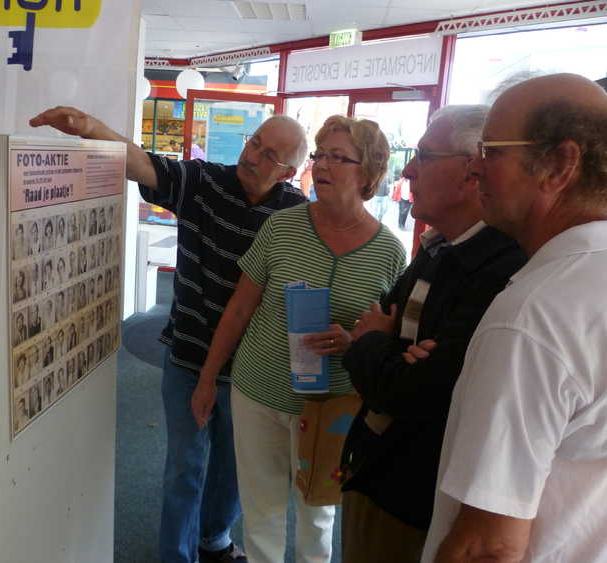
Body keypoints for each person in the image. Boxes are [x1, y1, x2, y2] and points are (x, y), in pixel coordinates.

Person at [30, 106, 309, 563]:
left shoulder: (296, 218)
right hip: (188, 357)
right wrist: (91, 127)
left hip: (252, 372)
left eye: (269, 153)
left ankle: (215, 538)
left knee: (233, 466)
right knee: (185, 466)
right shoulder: (205, 184)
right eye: (254, 141)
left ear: (288, 172)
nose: (254, 155)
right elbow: (144, 165)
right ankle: (176, 556)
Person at [192, 115, 406, 562]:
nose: (323, 165)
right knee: (262, 512)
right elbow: (240, 308)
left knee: (318, 515)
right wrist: (208, 377)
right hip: (258, 391)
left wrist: (355, 342)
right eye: (320, 155)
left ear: (368, 173)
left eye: (338, 157)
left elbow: (389, 335)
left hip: (333, 403)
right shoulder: (282, 227)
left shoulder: (389, 252)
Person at [421, 74, 607, 562]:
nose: (474, 168)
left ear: (560, 165)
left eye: (491, 150)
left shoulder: (536, 315)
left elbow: (487, 546)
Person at [339, 105, 527, 563]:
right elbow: (381, 329)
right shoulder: (438, 247)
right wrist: (388, 350)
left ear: (470, 172)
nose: (407, 170)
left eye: (423, 156)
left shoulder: (502, 269)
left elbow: (412, 390)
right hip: (375, 469)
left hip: (413, 497)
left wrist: (371, 344)